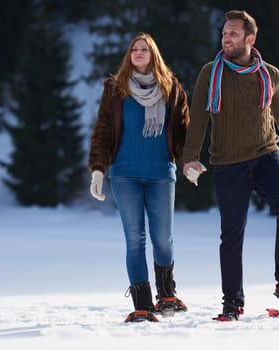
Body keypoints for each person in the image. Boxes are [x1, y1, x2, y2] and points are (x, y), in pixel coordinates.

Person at [182, 10, 279, 321]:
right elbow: (199, 119)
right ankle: (232, 301)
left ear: (249, 39)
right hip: (228, 164)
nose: (225, 38)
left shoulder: (269, 74)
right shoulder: (210, 73)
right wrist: (190, 156)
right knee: (232, 234)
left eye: (233, 34)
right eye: (224, 33)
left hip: (266, 155)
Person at [87, 33, 190, 322]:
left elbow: (182, 132)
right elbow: (103, 132)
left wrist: (187, 162)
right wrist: (98, 169)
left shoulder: (171, 89)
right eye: (135, 49)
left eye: (145, 49)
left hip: (160, 174)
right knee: (135, 240)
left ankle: (167, 295)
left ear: (153, 54)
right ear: (129, 55)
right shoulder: (115, 90)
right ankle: (142, 305)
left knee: (163, 239)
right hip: (125, 176)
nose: (139, 52)